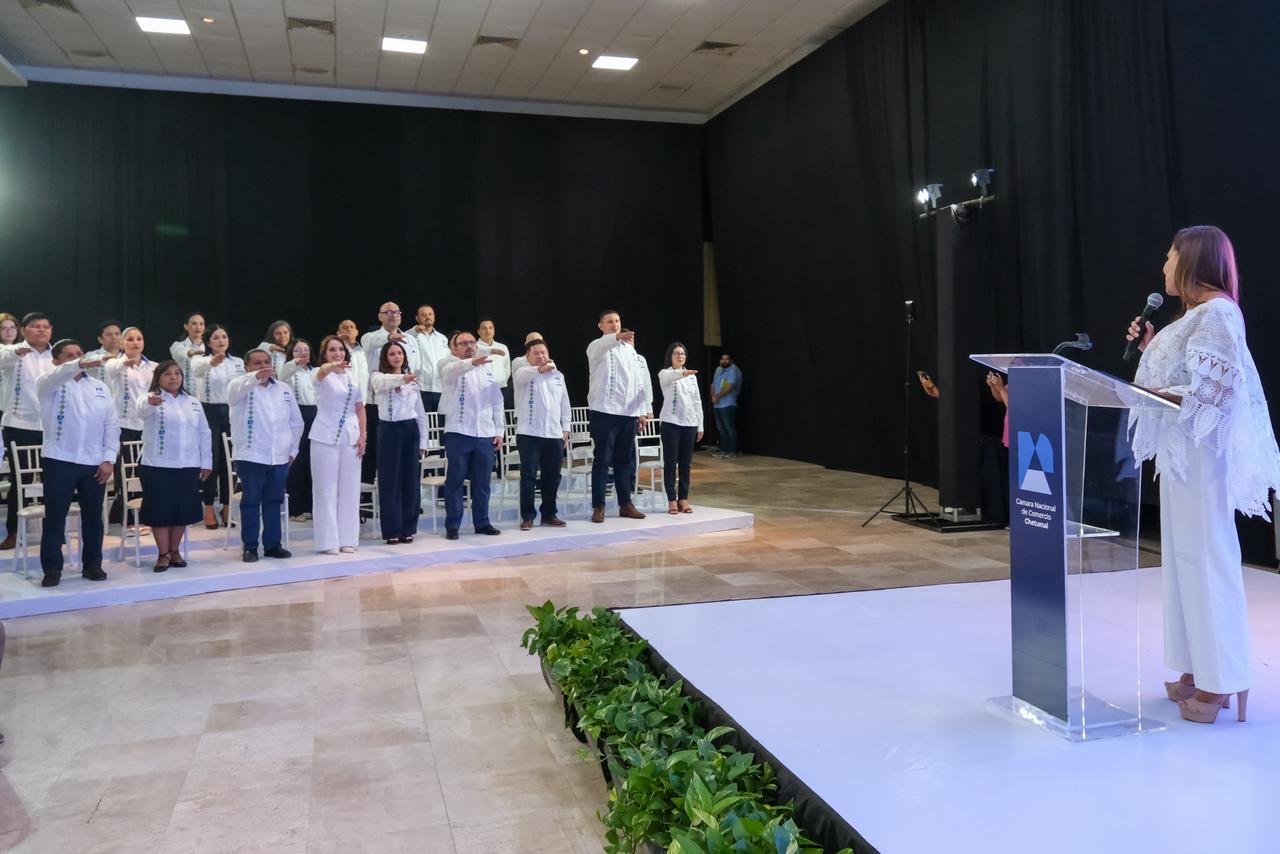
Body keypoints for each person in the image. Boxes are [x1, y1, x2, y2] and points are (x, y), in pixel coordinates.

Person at [1127, 225, 1280, 725]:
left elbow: (1212, 393)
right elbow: (1188, 377)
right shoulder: (1196, 315)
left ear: (1193, 260)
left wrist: (1159, 393)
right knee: (1183, 562)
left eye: (1170, 256)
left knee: (1205, 560)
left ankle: (1221, 681)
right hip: (1182, 457)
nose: (1164, 266)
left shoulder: (1216, 313)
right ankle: (1199, 668)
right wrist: (1151, 344)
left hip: (1199, 458)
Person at [35, 340, 117, 587]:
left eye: (80, 354)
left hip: (94, 462)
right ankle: (52, 568)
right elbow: (60, 374)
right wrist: (77, 364)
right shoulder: (48, 383)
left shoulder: (100, 387)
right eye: (69, 356)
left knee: (93, 516)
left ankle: (92, 564)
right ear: (56, 361)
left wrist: (108, 459)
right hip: (60, 459)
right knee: (55, 517)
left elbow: (111, 426)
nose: (76, 359)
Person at [228, 348, 303, 563]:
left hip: (279, 456)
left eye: (266, 362)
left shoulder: (284, 389)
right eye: (257, 363)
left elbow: (296, 422)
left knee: (274, 500)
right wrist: (254, 377)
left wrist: (293, 450)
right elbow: (235, 392)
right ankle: (250, 546)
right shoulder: (239, 386)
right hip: (251, 456)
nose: (263, 367)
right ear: (247, 367)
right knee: (251, 501)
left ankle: (272, 545)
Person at [136, 361, 212, 572]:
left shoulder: (193, 402)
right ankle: (163, 554)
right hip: (156, 465)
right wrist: (151, 403)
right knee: (160, 510)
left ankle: (175, 551)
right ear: (158, 377)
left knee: (181, 510)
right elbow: (141, 411)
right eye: (168, 374)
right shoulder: (150, 397)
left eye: (177, 373)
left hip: (188, 465)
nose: (174, 377)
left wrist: (206, 462)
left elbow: (204, 433)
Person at [439, 331, 504, 539]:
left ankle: (482, 522)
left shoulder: (487, 368)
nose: (469, 346)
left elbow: (497, 401)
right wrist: (472, 362)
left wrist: (499, 430)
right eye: (463, 343)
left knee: (483, 482)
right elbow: (452, 372)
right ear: (454, 348)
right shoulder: (448, 365)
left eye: (472, 342)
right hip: (459, 431)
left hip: (484, 432)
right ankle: (453, 525)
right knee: (455, 480)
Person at [586, 310, 649, 523]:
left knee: (624, 460)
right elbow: (604, 345)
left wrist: (640, 411)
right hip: (604, 412)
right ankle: (599, 506)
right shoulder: (596, 346)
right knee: (602, 460)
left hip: (628, 413)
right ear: (601, 325)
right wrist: (617, 337)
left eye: (617, 321)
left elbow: (638, 381)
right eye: (610, 322)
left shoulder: (630, 351)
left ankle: (625, 504)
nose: (615, 325)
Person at [1, 312, 56, 551]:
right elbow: (4, 359)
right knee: (20, 481)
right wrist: (15, 351)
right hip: (20, 424)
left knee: (52, 481)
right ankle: (14, 532)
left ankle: (52, 533)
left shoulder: (58, 355)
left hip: (52, 427)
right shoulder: (13, 352)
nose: (41, 330)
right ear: (24, 330)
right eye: (35, 326)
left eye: (45, 326)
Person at [310, 335, 367, 554]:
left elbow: (360, 406)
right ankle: (328, 542)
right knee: (326, 489)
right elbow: (321, 373)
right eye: (332, 350)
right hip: (325, 434)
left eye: (340, 350)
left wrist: (363, 435)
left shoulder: (352, 375)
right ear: (325, 354)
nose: (338, 354)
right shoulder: (321, 375)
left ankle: (348, 539)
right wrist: (331, 366)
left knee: (350, 488)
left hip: (350, 435)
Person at [370, 341, 429, 544]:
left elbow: (420, 413)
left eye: (400, 353)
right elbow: (385, 383)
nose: (397, 357)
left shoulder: (412, 382)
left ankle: (408, 527)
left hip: (409, 430)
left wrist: (423, 441)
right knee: (390, 481)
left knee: (410, 481)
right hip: (389, 430)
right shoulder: (378, 376)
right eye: (392, 354)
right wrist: (403, 378)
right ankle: (392, 529)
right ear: (386, 358)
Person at [513, 339, 570, 530]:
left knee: (552, 476)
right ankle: (528, 516)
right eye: (536, 353)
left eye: (543, 352)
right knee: (528, 475)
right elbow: (522, 376)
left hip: (553, 433)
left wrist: (566, 427)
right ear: (527, 356)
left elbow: (564, 403)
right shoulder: (523, 372)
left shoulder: (558, 375)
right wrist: (540, 369)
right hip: (529, 433)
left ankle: (549, 514)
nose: (541, 356)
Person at [191, 324, 244, 528]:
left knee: (229, 462)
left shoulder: (237, 362)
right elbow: (196, 369)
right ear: (207, 341)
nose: (221, 341)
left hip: (231, 413)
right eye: (215, 338)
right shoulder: (200, 359)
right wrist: (212, 362)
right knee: (210, 461)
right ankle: (208, 507)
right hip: (208, 413)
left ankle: (227, 506)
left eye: (224, 336)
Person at [360, 303, 421, 481]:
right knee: (372, 452)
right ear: (380, 316)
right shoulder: (370, 337)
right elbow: (372, 344)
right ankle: (367, 497)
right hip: (377, 403)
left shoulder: (410, 339)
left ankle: (407, 500)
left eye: (396, 312)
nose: (393, 315)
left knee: (405, 456)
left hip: (405, 403)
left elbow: (415, 366)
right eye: (388, 312)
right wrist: (389, 337)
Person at [103, 327, 156, 521]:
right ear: (122, 343)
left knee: (143, 468)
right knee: (123, 469)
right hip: (124, 423)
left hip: (147, 424)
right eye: (130, 339)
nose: (135, 342)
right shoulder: (114, 363)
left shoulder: (153, 366)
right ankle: (121, 510)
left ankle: (141, 508)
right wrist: (125, 362)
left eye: (139, 339)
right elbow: (112, 369)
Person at [658, 343, 704, 514]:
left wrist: (700, 424)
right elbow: (670, 378)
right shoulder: (665, 373)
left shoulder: (692, 377)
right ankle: (671, 499)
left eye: (683, 354)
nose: (680, 356)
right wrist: (683, 373)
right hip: (671, 423)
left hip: (689, 423)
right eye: (676, 353)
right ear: (670, 356)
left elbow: (697, 401)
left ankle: (683, 498)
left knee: (686, 464)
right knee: (671, 462)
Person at [280, 338, 317, 522]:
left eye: (306, 350)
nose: (303, 354)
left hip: (315, 414)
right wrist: (295, 361)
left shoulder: (316, 371)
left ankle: (311, 505)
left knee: (313, 461)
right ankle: (295, 508)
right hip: (295, 415)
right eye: (297, 350)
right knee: (298, 461)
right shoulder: (288, 370)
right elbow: (282, 373)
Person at [410, 305, 449, 413]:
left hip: (441, 388)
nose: (427, 317)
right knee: (423, 424)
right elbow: (401, 337)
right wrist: (414, 330)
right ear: (417, 318)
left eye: (430, 314)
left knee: (440, 424)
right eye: (423, 315)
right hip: (421, 388)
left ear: (434, 317)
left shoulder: (443, 338)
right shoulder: (412, 337)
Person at [711, 352, 742, 458]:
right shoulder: (718, 369)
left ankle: (732, 451)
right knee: (721, 429)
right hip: (717, 405)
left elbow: (730, 386)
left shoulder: (733, 370)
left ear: (731, 360)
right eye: (722, 359)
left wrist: (717, 397)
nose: (724, 361)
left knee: (730, 428)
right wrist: (713, 397)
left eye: (727, 359)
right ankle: (723, 450)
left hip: (728, 404)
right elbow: (713, 384)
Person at [476, 319, 511, 406]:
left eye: (490, 328)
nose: (488, 331)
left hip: (501, 388)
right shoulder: (474, 348)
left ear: (494, 330)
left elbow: (507, 369)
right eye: (484, 328)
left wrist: (500, 381)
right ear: (478, 331)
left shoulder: (503, 347)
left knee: (501, 417)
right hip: (481, 390)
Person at [170, 312, 206, 395]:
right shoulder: (177, 345)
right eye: (194, 324)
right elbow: (181, 352)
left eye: (201, 324)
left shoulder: (210, 346)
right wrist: (191, 352)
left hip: (207, 397)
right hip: (184, 394)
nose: (198, 327)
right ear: (186, 326)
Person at [84, 319, 122, 384]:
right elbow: (87, 361)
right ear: (100, 339)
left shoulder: (126, 356)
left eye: (117, 334)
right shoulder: (92, 355)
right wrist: (104, 357)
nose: (114, 337)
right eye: (109, 334)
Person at [336, 318, 370, 393]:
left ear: (356, 332)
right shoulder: (336, 353)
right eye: (345, 327)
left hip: (364, 398)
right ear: (338, 333)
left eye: (352, 327)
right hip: (343, 397)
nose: (349, 329)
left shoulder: (365, 352)